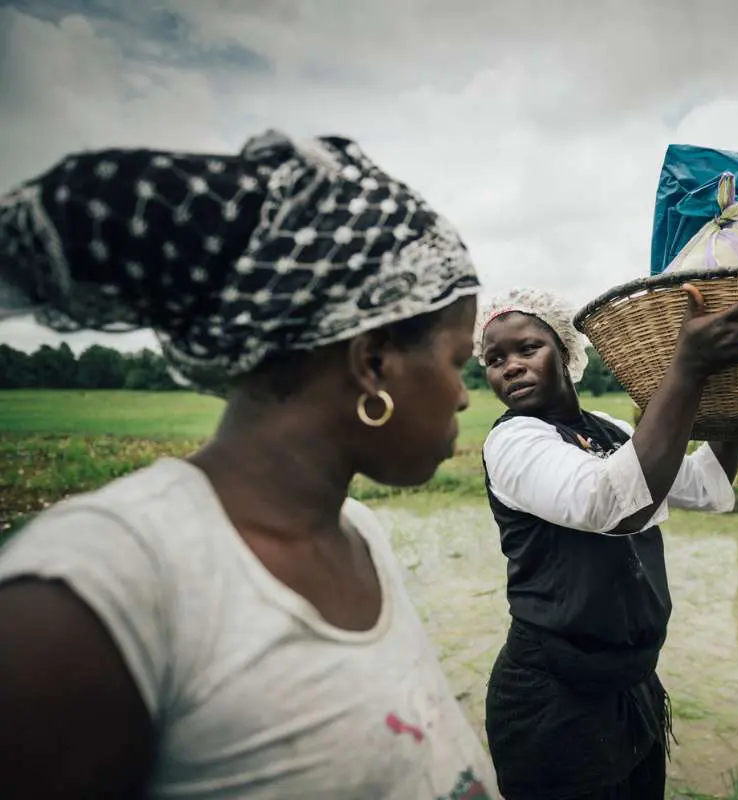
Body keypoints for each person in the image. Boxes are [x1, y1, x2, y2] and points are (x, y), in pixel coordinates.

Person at [0, 132, 498, 798]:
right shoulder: (101, 592)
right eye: (458, 361)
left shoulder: (357, 534)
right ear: (374, 361)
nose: (466, 394)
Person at [475, 286, 738, 799]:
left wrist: (732, 397)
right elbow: (614, 504)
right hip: (554, 696)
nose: (510, 366)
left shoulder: (612, 429)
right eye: (495, 359)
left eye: (527, 348)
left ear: (564, 350)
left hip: (632, 680)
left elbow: (704, 482)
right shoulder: (513, 441)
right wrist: (687, 370)